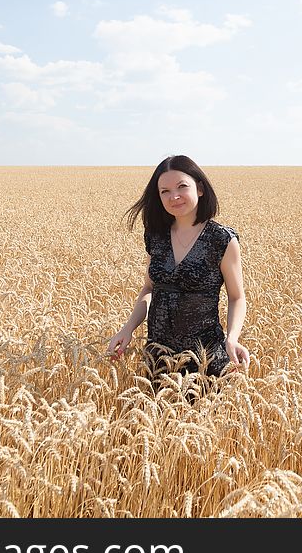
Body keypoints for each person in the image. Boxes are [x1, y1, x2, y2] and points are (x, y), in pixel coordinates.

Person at [107, 155, 250, 394]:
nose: (174, 196)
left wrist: (232, 338)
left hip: (206, 357)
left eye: (182, 186)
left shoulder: (221, 239)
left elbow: (237, 297)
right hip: (159, 358)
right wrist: (127, 328)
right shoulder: (156, 236)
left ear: (200, 188)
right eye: (165, 191)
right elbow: (150, 289)